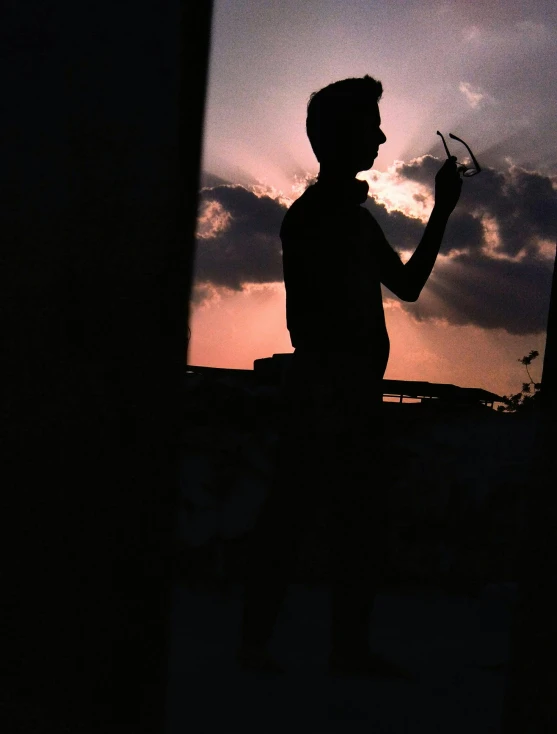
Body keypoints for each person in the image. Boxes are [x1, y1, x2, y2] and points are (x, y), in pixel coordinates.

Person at [237, 75, 462, 677]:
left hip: (334, 389)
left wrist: (440, 210)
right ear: (343, 135)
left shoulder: (333, 218)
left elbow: (404, 290)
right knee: (324, 523)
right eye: (371, 125)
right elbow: (399, 293)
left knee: (315, 521)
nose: (384, 135)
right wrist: (441, 210)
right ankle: (313, 650)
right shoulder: (327, 219)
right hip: (332, 392)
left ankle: (292, 648)